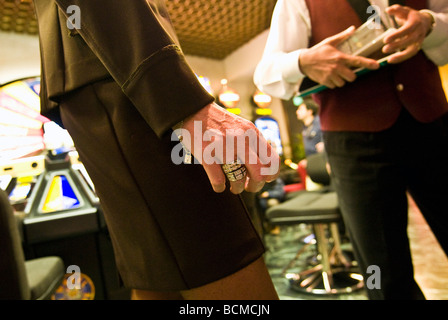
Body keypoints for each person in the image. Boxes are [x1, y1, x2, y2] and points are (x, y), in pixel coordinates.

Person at [32, 0, 280, 300]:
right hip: (122, 82)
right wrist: (178, 98)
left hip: (105, 76)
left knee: (162, 279)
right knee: (218, 260)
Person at [254, 0, 448, 300]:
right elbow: (265, 73)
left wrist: (429, 23)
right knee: (383, 274)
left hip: (433, 120)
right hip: (354, 142)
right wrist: (304, 61)